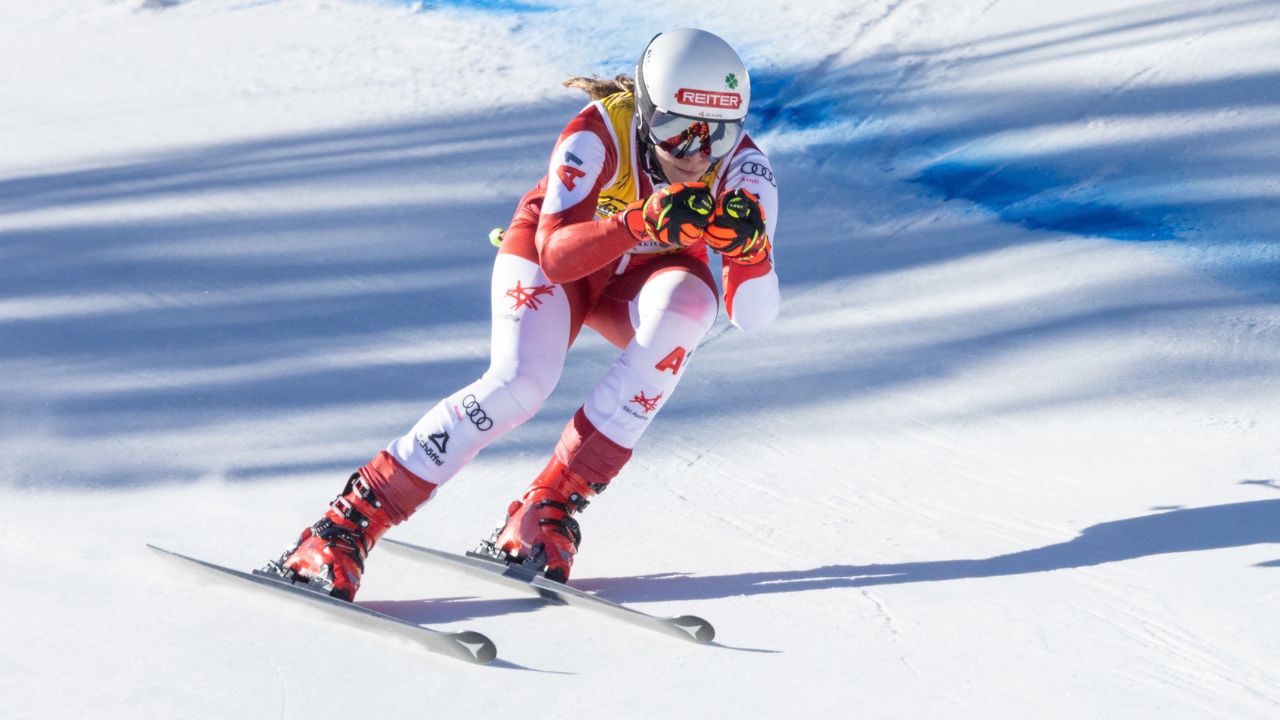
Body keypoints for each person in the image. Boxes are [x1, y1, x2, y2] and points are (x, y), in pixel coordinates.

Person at [262, 28, 780, 600]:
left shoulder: (745, 170)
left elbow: (752, 315)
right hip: (562, 255)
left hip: (635, 279)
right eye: (677, 133)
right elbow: (557, 259)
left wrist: (749, 250)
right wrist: (639, 222)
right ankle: (346, 524)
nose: (698, 155)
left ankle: (549, 504)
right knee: (520, 383)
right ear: (646, 115)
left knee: (691, 307)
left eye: (720, 135)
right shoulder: (597, 132)